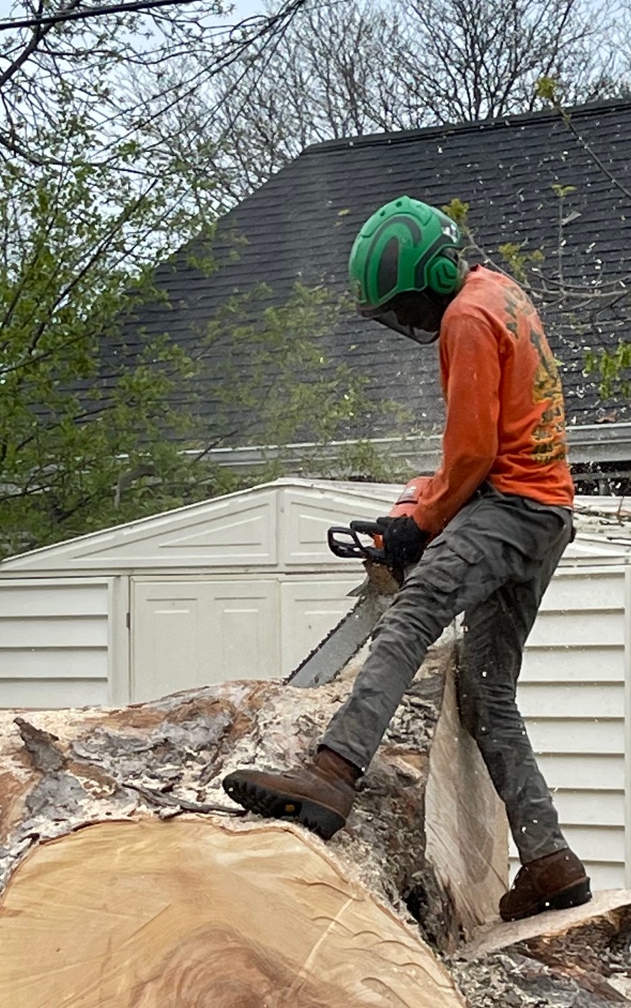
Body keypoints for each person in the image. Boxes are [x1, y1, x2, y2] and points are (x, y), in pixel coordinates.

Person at [223, 195, 591, 921]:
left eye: (410, 303)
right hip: (547, 513)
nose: (414, 320)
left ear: (434, 274)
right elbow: (484, 447)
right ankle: (549, 858)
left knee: (412, 613)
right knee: (490, 695)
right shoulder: (503, 294)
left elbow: (476, 453)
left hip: (509, 509)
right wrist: (422, 500)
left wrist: (418, 523)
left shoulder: (467, 316)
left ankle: (332, 772)